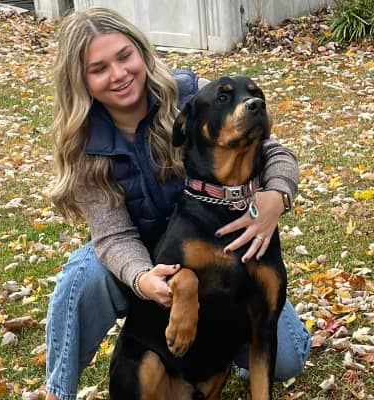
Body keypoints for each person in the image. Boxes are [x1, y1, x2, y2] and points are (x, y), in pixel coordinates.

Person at [45, 6, 311, 400]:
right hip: (142, 256)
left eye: (124, 56)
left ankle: (223, 349)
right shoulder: (84, 144)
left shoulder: (191, 95)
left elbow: (274, 151)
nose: (118, 74)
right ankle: (57, 391)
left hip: (215, 230)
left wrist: (277, 195)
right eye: (98, 69)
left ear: (141, 51)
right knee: (84, 275)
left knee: (287, 357)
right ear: (80, 80)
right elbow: (113, 236)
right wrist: (144, 278)